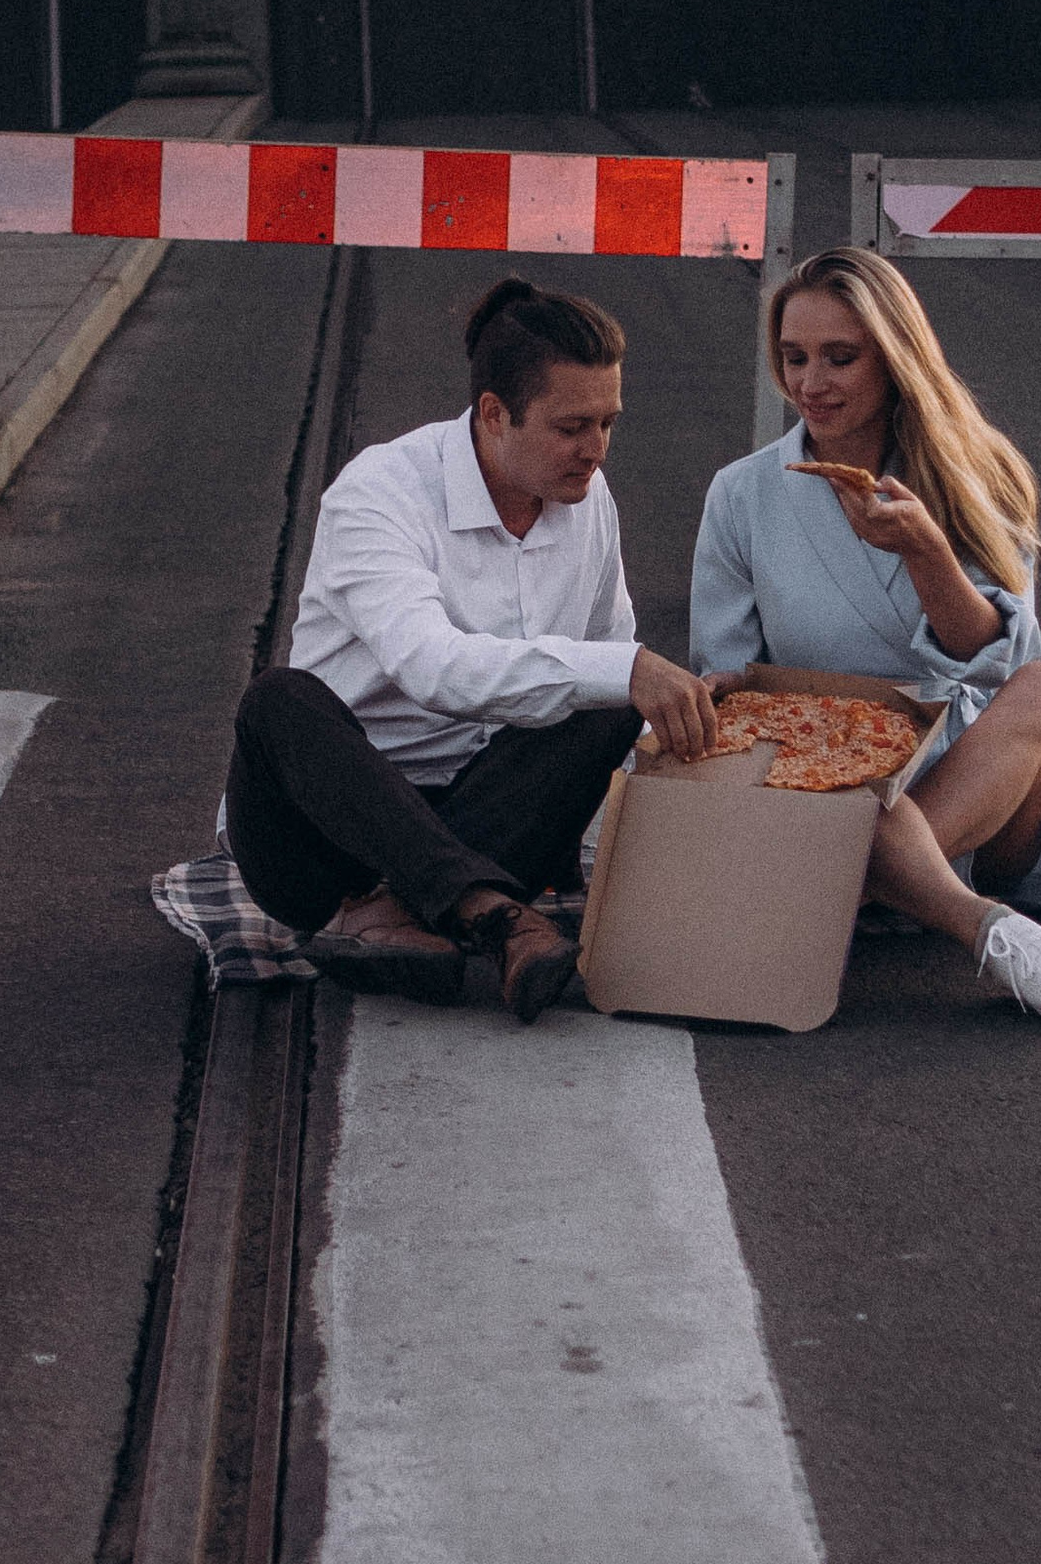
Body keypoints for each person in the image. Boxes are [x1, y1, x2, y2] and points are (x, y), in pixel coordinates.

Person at [226, 277, 720, 1022]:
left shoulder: (588, 496)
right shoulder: (380, 493)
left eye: (608, 423)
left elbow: (608, 667)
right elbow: (431, 666)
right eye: (571, 427)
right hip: (332, 838)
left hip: (487, 825)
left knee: (608, 701)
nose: (595, 450)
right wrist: (624, 670)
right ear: (494, 414)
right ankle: (483, 912)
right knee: (276, 699)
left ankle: (416, 916)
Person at [690, 244, 1041, 1029]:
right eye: (794, 358)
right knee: (858, 797)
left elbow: (1003, 666)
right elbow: (727, 674)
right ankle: (980, 927)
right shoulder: (742, 493)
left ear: (895, 358)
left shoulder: (977, 475)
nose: (811, 385)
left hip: (967, 792)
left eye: (840, 358)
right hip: (817, 785)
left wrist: (926, 552)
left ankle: (856, 892)